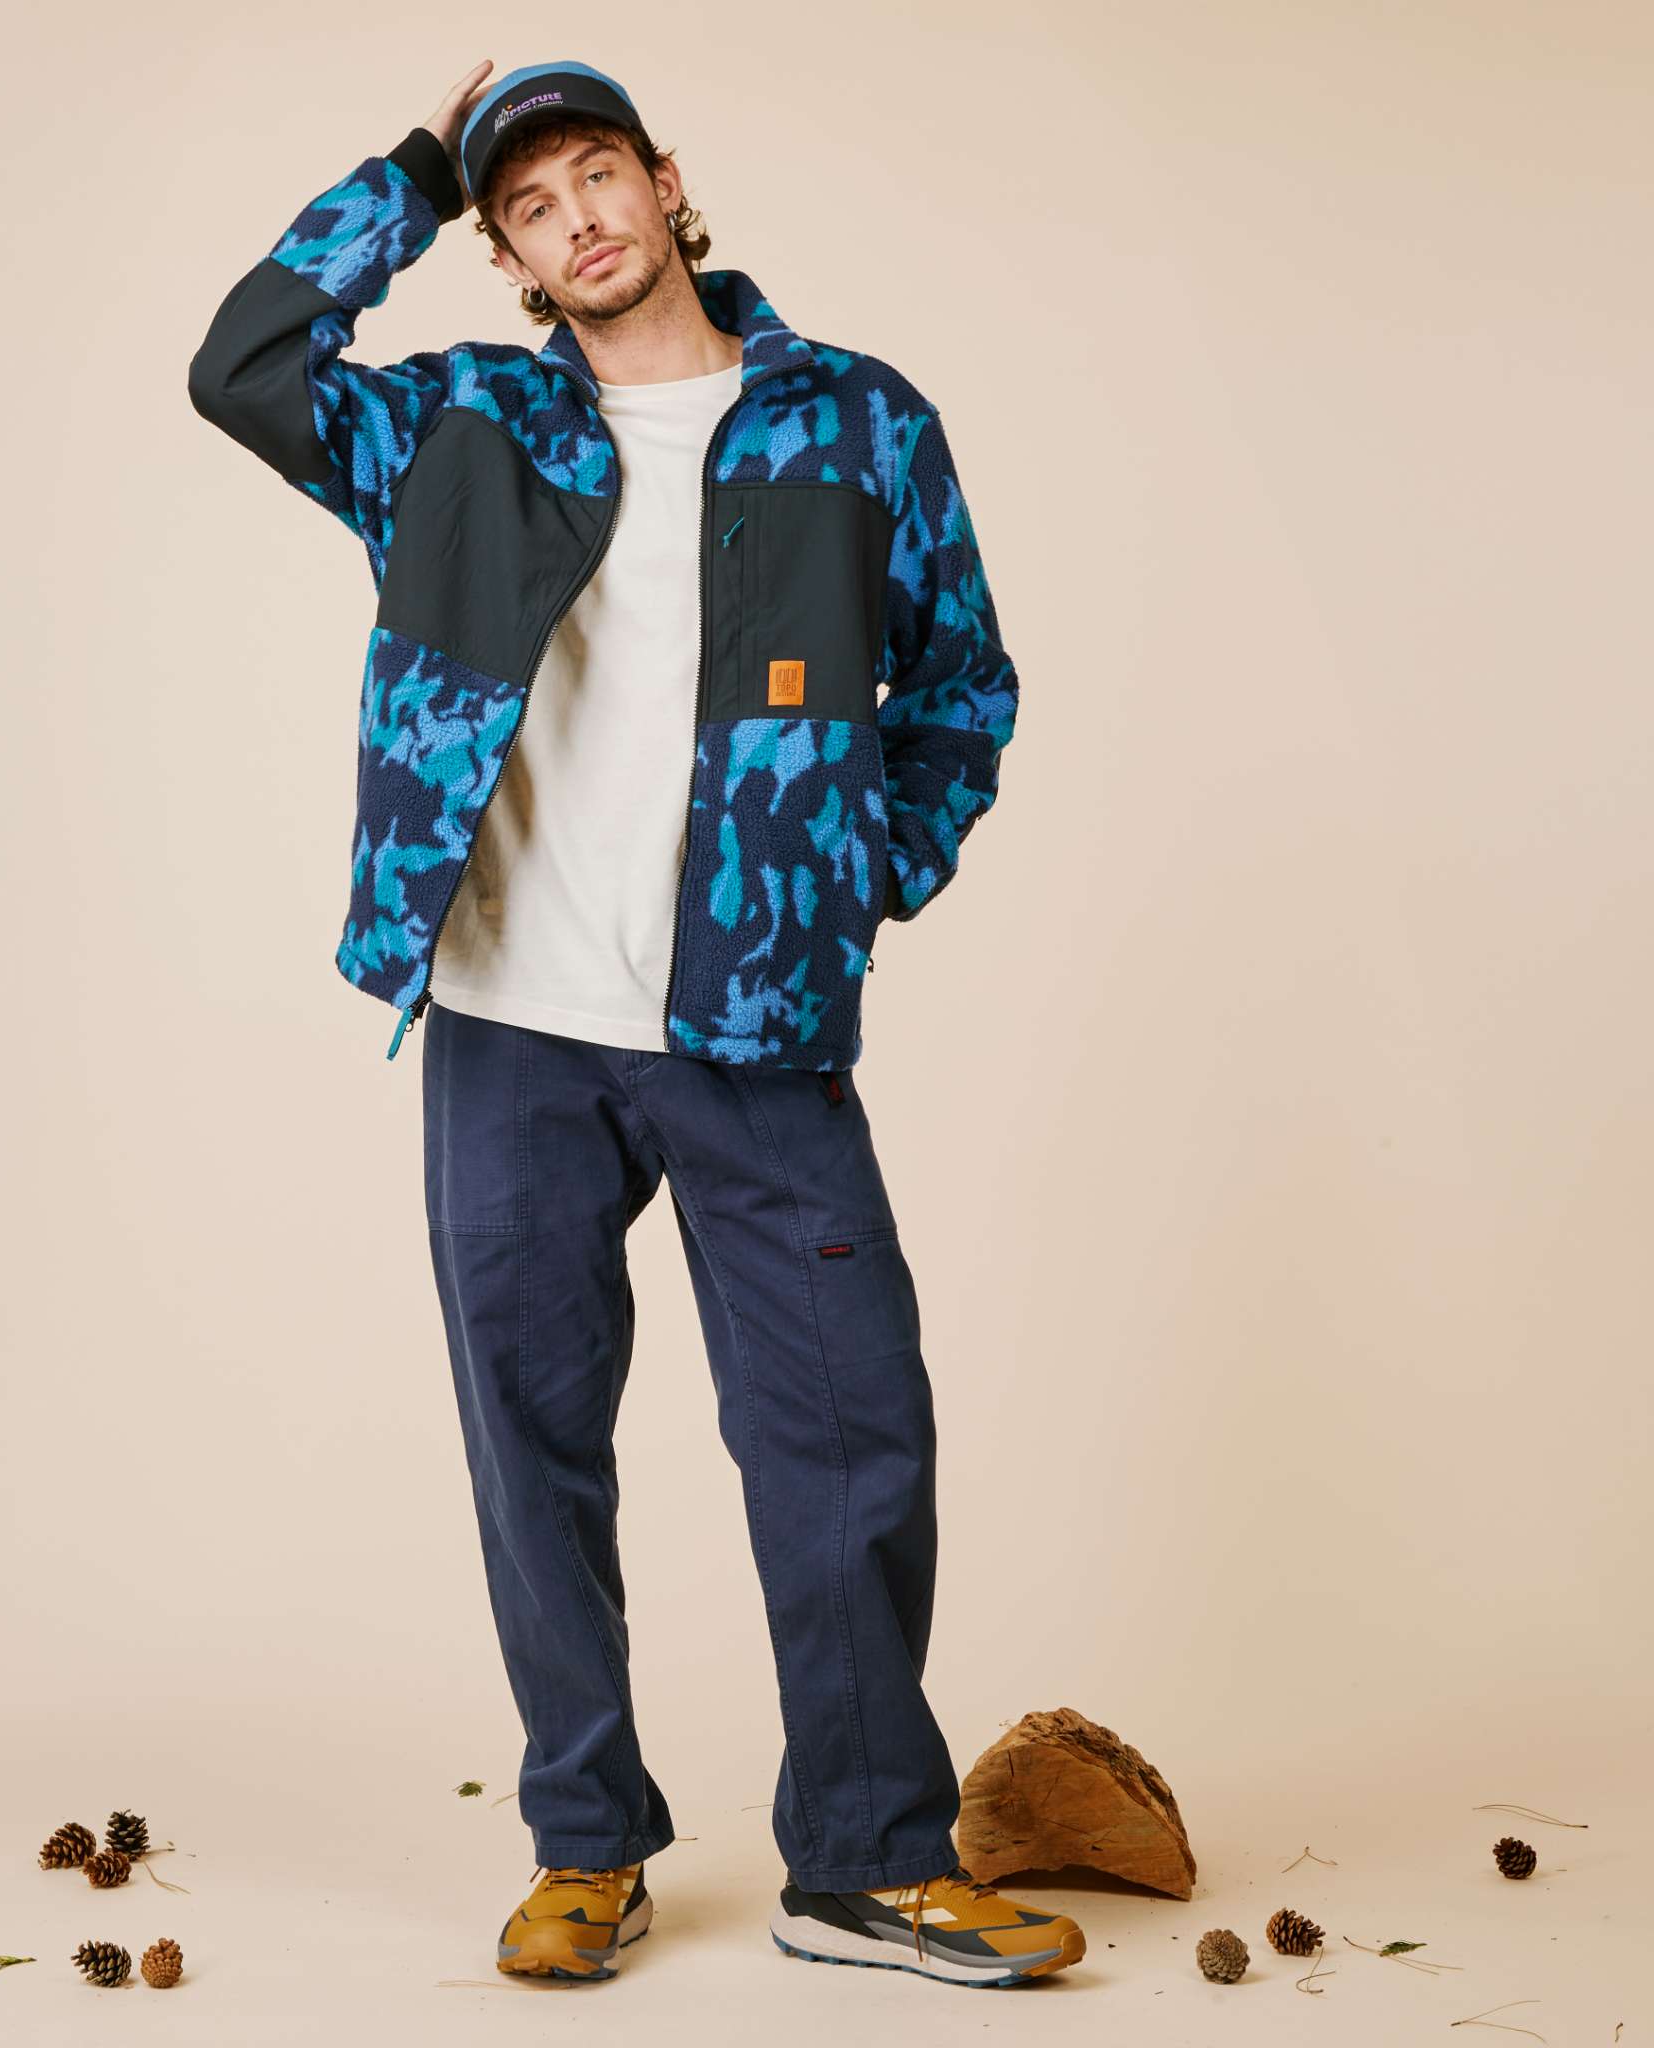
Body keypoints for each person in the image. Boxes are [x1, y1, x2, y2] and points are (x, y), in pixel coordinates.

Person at [189, 55, 1082, 1989]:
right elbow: (243, 366)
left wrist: (850, 872)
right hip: (511, 1022)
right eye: (528, 203)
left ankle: (868, 1859)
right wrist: (413, 172)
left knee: (849, 1431)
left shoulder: (858, 419)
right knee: (535, 1447)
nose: (576, 218)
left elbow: (963, 688)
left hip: (757, 1022)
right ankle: (584, 1842)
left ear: (668, 184)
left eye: (596, 175)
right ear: (505, 253)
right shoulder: (455, 426)